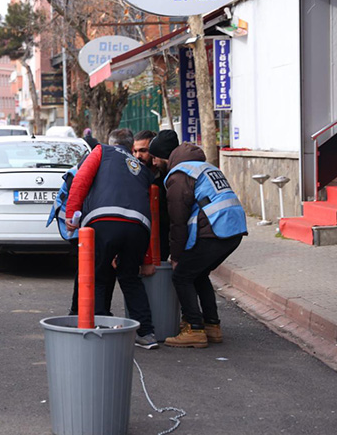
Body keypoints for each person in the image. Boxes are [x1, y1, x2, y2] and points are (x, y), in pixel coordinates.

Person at [148, 130, 247, 348]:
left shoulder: (178, 175)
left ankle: (194, 328)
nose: (153, 163)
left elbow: (178, 222)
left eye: (154, 158)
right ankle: (212, 326)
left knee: (182, 276)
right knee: (199, 274)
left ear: (164, 157)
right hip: (233, 229)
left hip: (214, 230)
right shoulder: (204, 166)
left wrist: (176, 256)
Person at [66, 128, 158, 349]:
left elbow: (81, 180)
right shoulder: (142, 169)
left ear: (111, 142)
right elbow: (150, 208)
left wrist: (72, 214)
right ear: (129, 146)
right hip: (139, 227)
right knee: (129, 277)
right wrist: (148, 257)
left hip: (104, 220)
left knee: (98, 274)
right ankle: (146, 333)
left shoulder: (101, 151)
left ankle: (98, 329)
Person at [132, 129, 171, 269]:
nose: (138, 156)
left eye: (143, 151)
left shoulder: (168, 176)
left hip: (162, 239)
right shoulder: (132, 177)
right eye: (135, 151)